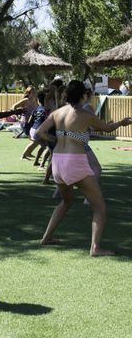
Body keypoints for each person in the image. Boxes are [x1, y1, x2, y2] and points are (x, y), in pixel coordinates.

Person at [37, 80, 132, 256]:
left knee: (66, 202)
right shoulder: (85, 114)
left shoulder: (57, 113)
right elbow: (107, 128)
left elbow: (39, 132)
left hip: (57, 161)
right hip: (75, 161)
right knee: (99, 206)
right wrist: (122, 122)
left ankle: (46, 237)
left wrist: (56, 140)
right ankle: (95, 248)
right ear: (83, 95)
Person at [20, 91, 47, 164]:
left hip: (33, 129)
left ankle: (34, 160)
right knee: (44, 146)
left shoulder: (36, 109)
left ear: (38, 100)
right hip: (39, 130)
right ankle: (37, 161)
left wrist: (29, 129)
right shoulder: (46, 110)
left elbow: (30, 120)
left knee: (39, 144)